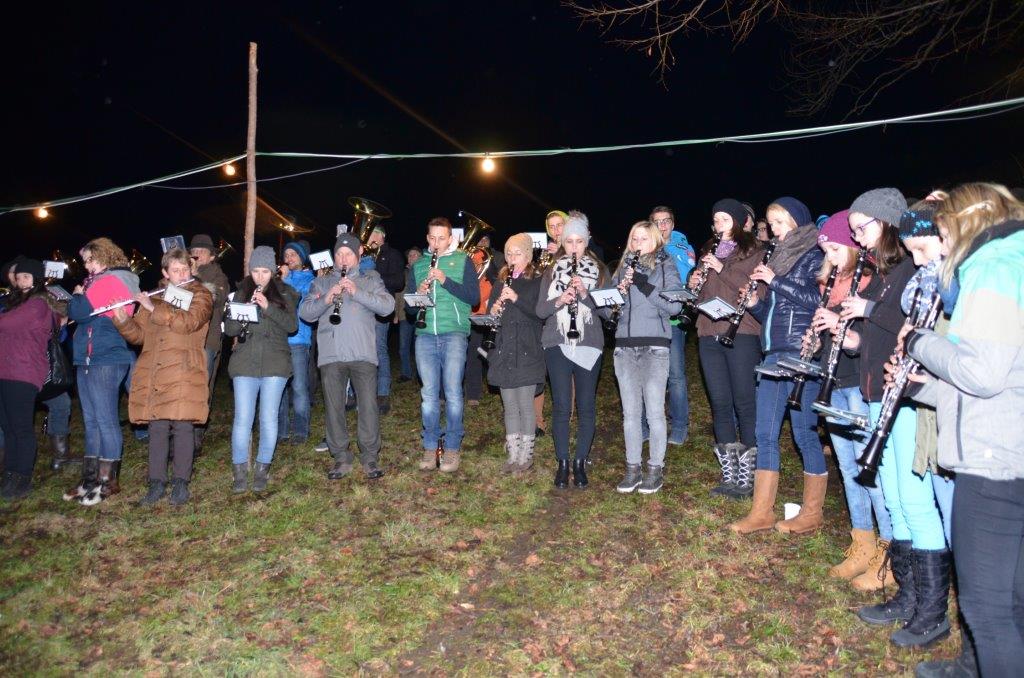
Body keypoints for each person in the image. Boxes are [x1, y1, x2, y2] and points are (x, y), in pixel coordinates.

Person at [905, 182, 1023, 678]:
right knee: (1013, 599)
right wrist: (921, 389)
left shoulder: (994, 268)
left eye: (943, 232)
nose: (943, 244)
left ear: (961, 223)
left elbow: (981, 374)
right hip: (1010, 443)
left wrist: (919, 343)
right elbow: (1005, 378)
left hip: (995, 460)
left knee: (989, 612)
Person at [839, 188, 948, 649]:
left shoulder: (909, 270)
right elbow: (883, 337)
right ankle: (908, 595)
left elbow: (912, 330)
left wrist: (868, 313)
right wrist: (855, 342)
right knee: (898, 499)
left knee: (915, 499)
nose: (856, 238)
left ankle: (932, 611)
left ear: (886, 222)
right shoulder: (884, 272)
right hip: (879, 394)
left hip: (904, 396)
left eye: (862, 227)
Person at [730, 197, 827, 535]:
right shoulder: (778, 256)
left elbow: (818, 300)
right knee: (765, 432)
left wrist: (775, 281)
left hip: (802, 352)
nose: (773, 230)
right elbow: (773, 312)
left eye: (779, 223)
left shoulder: (815, 255)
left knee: (804, 434)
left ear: (797, 222)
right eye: (770, 224)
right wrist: (755, 303)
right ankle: (762, 512)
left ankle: (812, 513)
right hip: (772, 353)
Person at [809, 211, 893, 587]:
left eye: (834, 246)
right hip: (834, 379)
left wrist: (846, 332)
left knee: (868, 466)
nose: (828, 253)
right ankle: (862, 541)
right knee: (847, 465)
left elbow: (872, 338)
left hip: (858, 381)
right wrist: (814, 340)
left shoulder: (871, 280)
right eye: (825, 247)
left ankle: (889, 548)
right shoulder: (828, 283)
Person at [112, 248, 212, 505]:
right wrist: (123, 321)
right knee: (156, 427)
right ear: (165, 273)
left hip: (184, 368)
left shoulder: (200, 294)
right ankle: (156, 483)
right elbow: (140, 336)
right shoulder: (155, 297)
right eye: (175, 270)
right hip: (155, 369)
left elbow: (188, 322)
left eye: (185, 269)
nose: (182, 275)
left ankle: (181, 482)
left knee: (182, 425)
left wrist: (151, 307)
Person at [300, 234, 394, 480]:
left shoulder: (370, 278)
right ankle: (341, 457)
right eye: (339, 254)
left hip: (362, 353)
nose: (343, 259)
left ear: (358, 254)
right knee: (334, 408)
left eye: (348, 254)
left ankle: (370, 456)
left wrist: (357, 292)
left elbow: (387, 306)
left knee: (368, 407)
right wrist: (326, 299)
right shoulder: (321, 282)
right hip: (331, 355)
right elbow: (305, 313)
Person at [693, 200, 764, 498]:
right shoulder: (708, 250)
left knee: (744, 403)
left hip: (742, 332)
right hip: (708, 331)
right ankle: (729, 474)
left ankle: (748, 477)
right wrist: (694, 283)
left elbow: (755, 289)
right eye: (716, 219)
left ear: (737, 221)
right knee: (720, 403)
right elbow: (703, 294)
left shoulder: (756, 251)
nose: (719, 224)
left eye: (725, 219)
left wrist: (722, 268)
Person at [63, 238, 140, 505]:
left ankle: (108, 482)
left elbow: (80, 312)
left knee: (105, 420)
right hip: (89, 357)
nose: (86, 266)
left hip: (106, 356)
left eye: (90, 260)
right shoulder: (96, 282)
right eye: (84, 261)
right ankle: (90, 480)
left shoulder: (109, 281)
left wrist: (76, 295)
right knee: (91, 420)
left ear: (104, 256)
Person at [536, 211, 608, 489]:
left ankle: (580, 462)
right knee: (562, 405)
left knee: (586, 406)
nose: (574, 247)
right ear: (563, 242)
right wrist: (560, 300)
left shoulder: (600, 270)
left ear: (586, 241)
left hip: (590, 342)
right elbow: (540, 310)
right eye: (569, 241)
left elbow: (608, 312)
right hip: (557, 341)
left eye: (579, 241)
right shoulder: (551, 270)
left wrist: (585, 295)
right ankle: (563, 462)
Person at [611, 221, 683, 494]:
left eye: (643, 238)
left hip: (655, 347)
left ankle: (655, 468)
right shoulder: (623, 268)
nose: (637, 243)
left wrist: (643, 285)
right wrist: (613, 300)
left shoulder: (666, 265)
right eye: (634, 238)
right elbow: (608, 312)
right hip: (624, 346)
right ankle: (632, 469)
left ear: (654, 240)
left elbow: (675, 307)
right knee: (630, 414)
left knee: (654, 413)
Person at [405, 217, 480, 473]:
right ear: (427, 238)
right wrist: (420, 294)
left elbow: (474, 297)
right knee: (428, 395)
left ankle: (452, 447)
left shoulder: (463, 260)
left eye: (442, 238)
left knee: (453, 392)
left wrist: (445, 280)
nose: (437, 242)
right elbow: (409, 310)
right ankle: (429, 445)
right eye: (432, 238)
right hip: (425, 334)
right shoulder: (419, 265)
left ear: (450, 239)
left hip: (454, 333)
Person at [223, 246, 298, 493]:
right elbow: (230, 330)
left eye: (265, 271)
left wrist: (268, 307)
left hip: (275, 362)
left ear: (273, 271)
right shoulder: (240, 292)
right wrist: (241, 313)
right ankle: (239, 472)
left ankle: (262, 468)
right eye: (255, 271)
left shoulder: (285, 292)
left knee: (268, 418)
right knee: (242, 418)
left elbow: (292, 326)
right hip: (245, 362)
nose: (260, 277)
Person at [0, 259, 64, 499]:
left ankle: (23, 477)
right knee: (8, 427)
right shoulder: (16, 303)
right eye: (18, 277)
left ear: (36, 279)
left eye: (26, 276)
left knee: (21, 428)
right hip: (5, 371)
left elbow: (8, 323)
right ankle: (10, 474)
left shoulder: (39, 303)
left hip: (23, 372)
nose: (21, 281)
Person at [485, 233, 544, 473]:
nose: (512, 258)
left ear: (528, 256)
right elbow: (490, 317)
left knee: (525, 405)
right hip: (504, 350)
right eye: (509, 253)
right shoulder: (499, 283)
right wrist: (493, 310)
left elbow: (540, 314)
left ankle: (526, 454)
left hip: (527, 350)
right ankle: (513, 454)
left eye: (517, 253)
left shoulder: (537, 281)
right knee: (509, 405)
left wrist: (516, 298)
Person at [651, 205, 696, 446]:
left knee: (676, 375)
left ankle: (679, 425)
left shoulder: (683, 248)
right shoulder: (644, 246)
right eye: (657, 221)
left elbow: (686, 279)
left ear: (673, 223)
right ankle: (649, 423)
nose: (662, 225)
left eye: (666, 220)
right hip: (648, 319)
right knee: (649, 375)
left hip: (674, 319)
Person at [189, 234, 230, 454]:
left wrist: (194, 279)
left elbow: (216, 300)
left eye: (201, 251)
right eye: (193, 250)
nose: (196, 254)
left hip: (208, 339)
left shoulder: (218, 276)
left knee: (202, 386)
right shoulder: (184, 273)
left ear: (212, 256)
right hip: (186, 338)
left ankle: (196, 436)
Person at [277, 240, 315, 445]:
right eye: (286, 255)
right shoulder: (280, 279)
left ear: (302, 258)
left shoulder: (310, 280)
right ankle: (281, 430)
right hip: (278, 340)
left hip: (299, 339)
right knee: (280, 386)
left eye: (293, 254)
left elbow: (295, 302)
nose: (288, 258)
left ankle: (300, 430)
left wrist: (284, 281)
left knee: (299, 386)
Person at [366, 226, 406, 415]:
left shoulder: (392, 254)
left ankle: (382, 393)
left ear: (381, 235)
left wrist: (373, 274)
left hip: (380, 309)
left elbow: (399, 282)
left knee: (379, 348)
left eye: (372, 233)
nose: (368, 237)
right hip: (361, 307)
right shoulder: (362, 254)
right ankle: (360, 392)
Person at [464, 248, 493, 406]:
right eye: (472, 264)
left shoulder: (487, 281)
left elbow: (477, 298)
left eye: (477, 264)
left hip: (478, 321)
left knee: (474, 356)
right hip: (463, 319)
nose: (474, 267)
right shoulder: (465, 278)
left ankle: (473, 393)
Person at [397, 247, 421, 383]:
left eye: (415, 255)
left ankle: (420, 374)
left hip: (420, 314)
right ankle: (406, 373)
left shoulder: (424, 271)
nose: (411, 257)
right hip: (404, 314)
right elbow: (398, 294)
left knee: (420, 346)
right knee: (403, 347)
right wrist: (396, 313)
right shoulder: (403, 273)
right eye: (410, 255)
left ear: (421, 257)